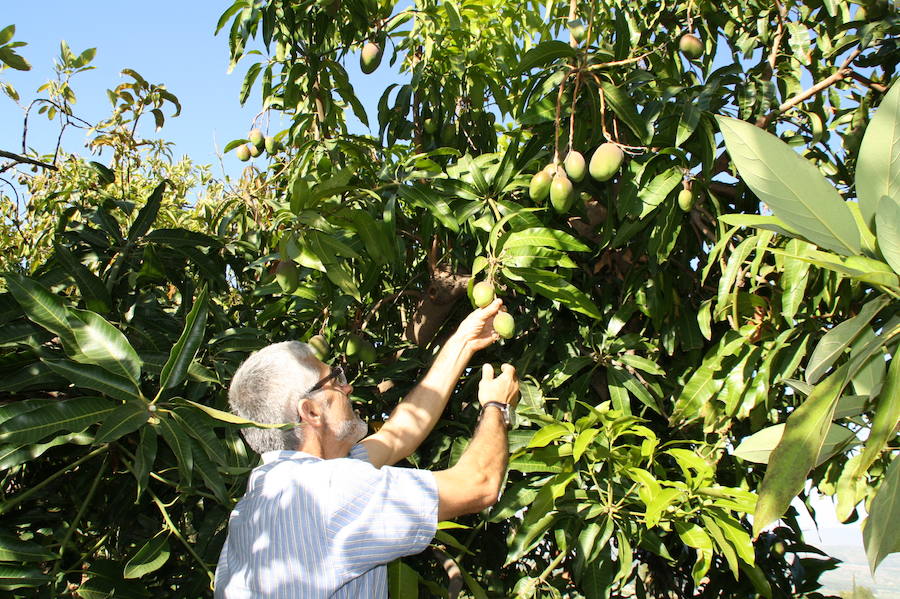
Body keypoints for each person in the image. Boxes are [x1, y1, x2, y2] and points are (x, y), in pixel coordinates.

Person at [214, 298, 519, 598]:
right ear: (311, 412)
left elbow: (398, 435)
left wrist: (464, 340)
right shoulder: (331, 492)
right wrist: (497, 406)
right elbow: (479, 485)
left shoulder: (260, 500)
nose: (348, 388)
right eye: (335, 380)